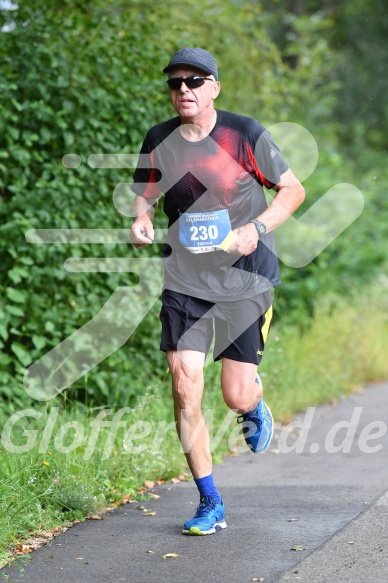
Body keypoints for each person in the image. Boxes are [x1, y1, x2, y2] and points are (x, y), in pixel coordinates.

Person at [130, 47, 305, 536]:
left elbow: (292, 190)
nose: (183, 89)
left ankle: (252, 404)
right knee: (184, 384)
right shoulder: (159, 139)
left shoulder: (243, 133)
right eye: (175, 82)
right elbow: (144, 197)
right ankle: (210, 501)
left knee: (233, 393)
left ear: (214, 87)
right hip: (186, 279)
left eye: (194, 80)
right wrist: (141, 220)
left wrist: (258, 228)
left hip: (245, 275)